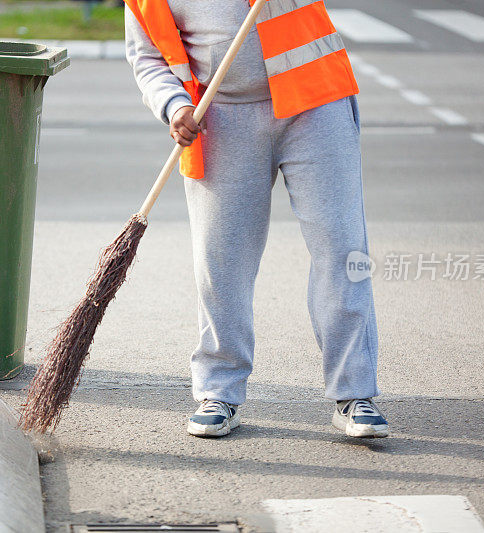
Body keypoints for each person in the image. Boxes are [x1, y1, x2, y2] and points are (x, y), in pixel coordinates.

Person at [124, 0, 388, 439]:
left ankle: (354, 394)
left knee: (343, 249)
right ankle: (219, 393)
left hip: (314, 103)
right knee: (220, 262)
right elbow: (147, 56)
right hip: (220, 118)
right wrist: (173, 107)